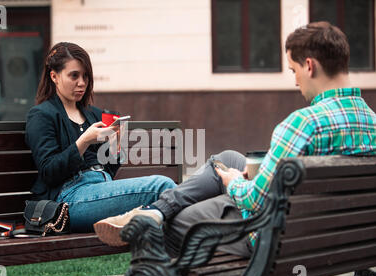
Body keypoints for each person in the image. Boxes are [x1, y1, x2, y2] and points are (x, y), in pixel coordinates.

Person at [94, 22, 376, 258]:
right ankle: (155, 210)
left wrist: (235, 183)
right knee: (227, 159)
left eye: (294, 70)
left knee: (177, 222)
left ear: (310, 66)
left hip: (272, 237)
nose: (295, 81)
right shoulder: (372, 121)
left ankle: (159, 226)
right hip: (330, 234)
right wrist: (257, 172)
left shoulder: (303, 124)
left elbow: (254, 200)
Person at [25, 42, 176, 233]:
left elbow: (109, 170)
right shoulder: (41, 115)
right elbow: (49, 172)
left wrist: (115, 146)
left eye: (85, 76)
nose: (82, 82)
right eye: (74, 75)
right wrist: (84, 141)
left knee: (167, 197)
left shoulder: (93, 114)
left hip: (100, 189)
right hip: (68, 199)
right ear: (54, 76)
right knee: (162, 187)